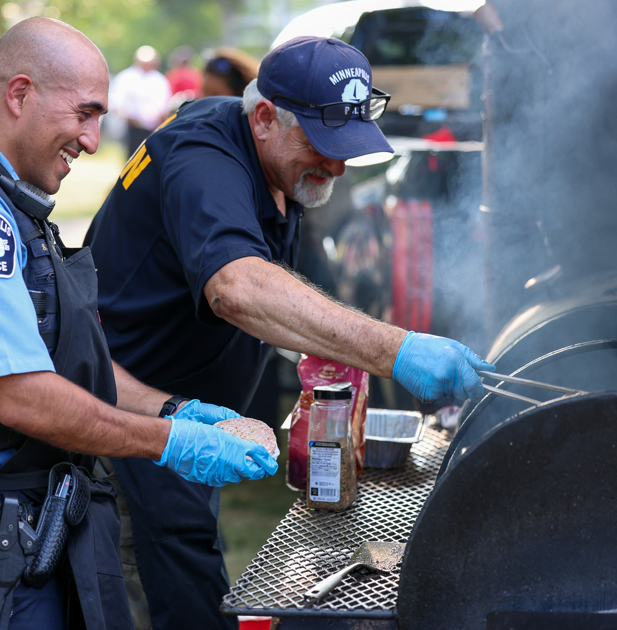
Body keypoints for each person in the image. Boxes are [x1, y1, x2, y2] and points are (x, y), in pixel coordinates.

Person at [0, 17, 276, 630]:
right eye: (83, 113)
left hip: (27, 538)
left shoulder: (7, 205)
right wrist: (172, 444)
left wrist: (171, 409)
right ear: (20, 94)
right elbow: (22, 396)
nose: (92, 140)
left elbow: (56, 358)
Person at [85, 36, 494, 630]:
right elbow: (238, 288)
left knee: (189, 562)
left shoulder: (274, 156)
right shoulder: (201, 154)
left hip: (195, 411)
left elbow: (262, 279)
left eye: (347, 148)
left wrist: (315, 345)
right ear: (265, 117)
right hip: (127, 409)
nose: (337, 166)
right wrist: (396, 348)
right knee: (171, 588)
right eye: (322, 146)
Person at [108, 45, 171, 157]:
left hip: (153, 128)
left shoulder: (159, 80)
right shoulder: (126, 77)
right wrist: (127, 115)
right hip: (132, 127)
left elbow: (164, 104)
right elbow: (116, 101)